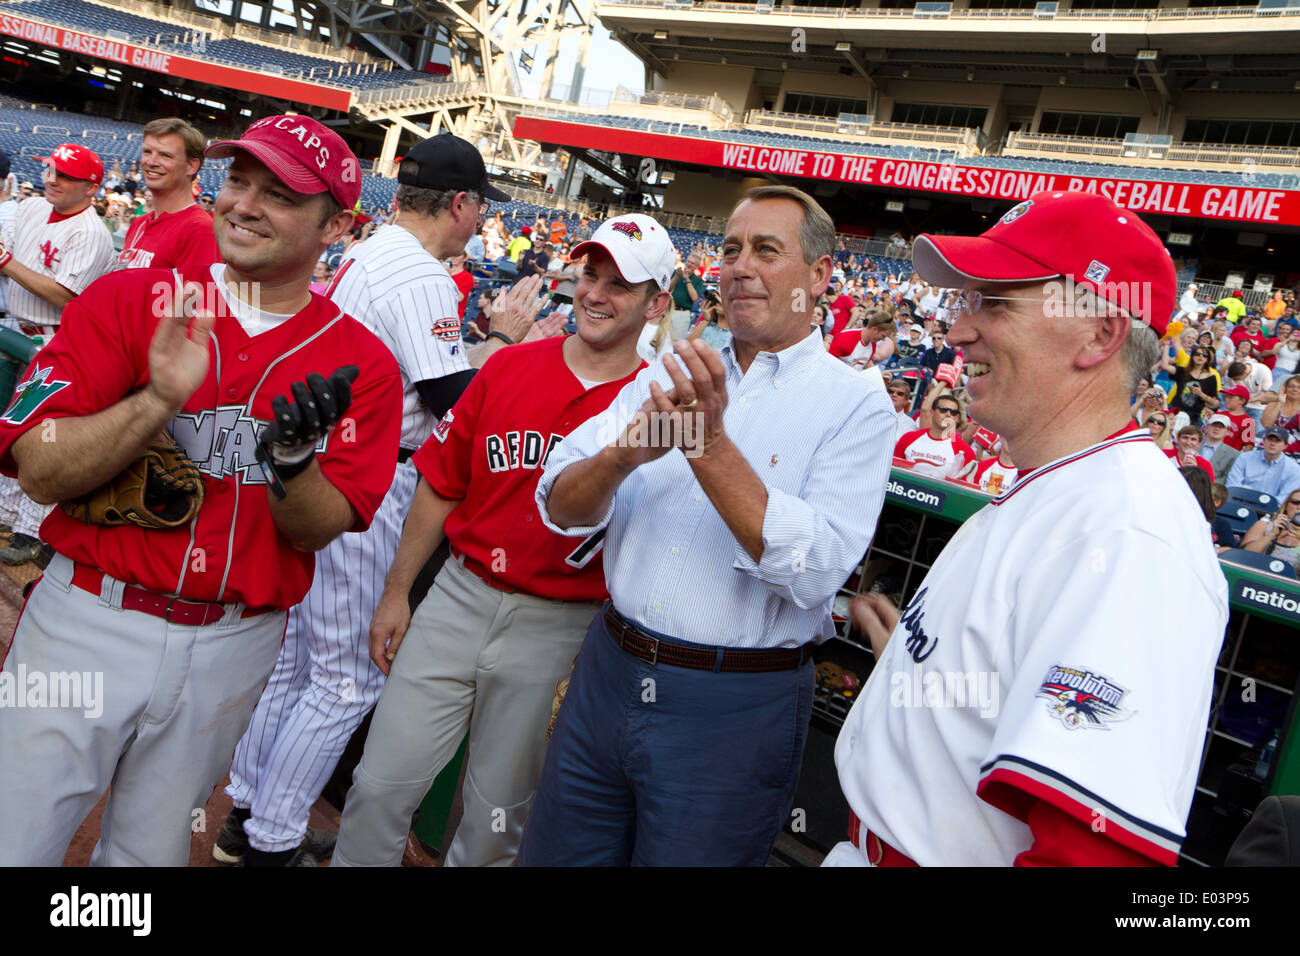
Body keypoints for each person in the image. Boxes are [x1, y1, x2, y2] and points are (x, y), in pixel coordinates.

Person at [0, 114, 405, 866]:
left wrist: (291, 464)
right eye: (238, 180)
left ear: (337, 224)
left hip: (232, 642)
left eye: (278, 193)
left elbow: (317, 530)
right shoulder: (129, 301)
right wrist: (153, 402)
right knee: (13, 838)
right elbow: (39, 468)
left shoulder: (363, 365)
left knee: (145, 857)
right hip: (90, 615)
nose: (244, 204)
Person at [831, 189, 1228, 867]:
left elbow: (1092, 856)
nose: (958, 330)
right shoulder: (1063, 482)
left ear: (1099, 333)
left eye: (997, 303)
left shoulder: (1130, 534)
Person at [520, 185, 895, 866]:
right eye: (730, 248)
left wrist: (707, 444)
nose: (740, 265)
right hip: (609, 668)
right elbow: (558, 504)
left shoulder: (856, 405)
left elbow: (815, 573)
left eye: (766, 250)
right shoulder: (666, 372)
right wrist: (623, 454)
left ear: (818, 277)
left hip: (733, 704)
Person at [217, 131, 530, 867]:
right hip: (372, 477)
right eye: (479, 206)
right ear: (458, 203)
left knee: (297, 661)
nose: (481, 221)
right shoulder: (420, 274)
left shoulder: (369, 249)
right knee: (348, 676)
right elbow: (453, 403)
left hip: (320, 463)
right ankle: (271, 839)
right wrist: (507, 345)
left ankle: (244, 815)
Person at [332, 214, 669, 868]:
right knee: (378, 785)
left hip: (561, 625)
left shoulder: (660, 400)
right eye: (589, 275)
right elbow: (440, 484)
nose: (596, 294)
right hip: (460, 593)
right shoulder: (510, 367)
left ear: (657, 303)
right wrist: (397, 593)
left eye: (620, 285)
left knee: (494, 823)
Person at [0, 142, 116, 566]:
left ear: (91, 188)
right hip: (14, 327)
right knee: (7, 427)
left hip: (55, 338)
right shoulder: (32, 208)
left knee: (37, 436)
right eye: (51, 170)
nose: (51, 179)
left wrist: (7, 263)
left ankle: (32, 530)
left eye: (65, 176)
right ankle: (6, 514)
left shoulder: (90, 231)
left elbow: (64, 295)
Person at [114, 118, 219, 272]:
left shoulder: (201, 231)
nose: (151, 162)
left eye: (165, 155)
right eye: (147, 152)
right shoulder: (139, 223)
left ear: (191, 166)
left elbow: (199, 295)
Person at [895, 393, 975, 479]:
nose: (948, 414)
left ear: (957, 418)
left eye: (953, 412)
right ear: (932, 412)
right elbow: (893, 469)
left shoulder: (965, 452)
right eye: (943, 410)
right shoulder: (909, 438)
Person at [1225, 425, 1300, 501]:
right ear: (1263, 441)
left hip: (1272, 509)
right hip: (1240, 501)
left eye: (1277, 441)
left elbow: (1284, 498)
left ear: (1285, 445)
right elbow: (1232, 485)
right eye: (1270, 439)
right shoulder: (1245, 458)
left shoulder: (1294, 469)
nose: (1272, 444)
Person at [1239, 488, 1300, 574]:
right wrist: (1271, 535)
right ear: (1286, 505)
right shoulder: (1263, 526)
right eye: (1295, 502)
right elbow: (1245, 556)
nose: (1299, 507)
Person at [828, 309, 895, 371]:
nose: (883, 340)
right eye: (883, 336)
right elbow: (828, 362)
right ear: (875, 329)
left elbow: (866, 361)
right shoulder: (845, 338)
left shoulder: (872, 343)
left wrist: (878, 375)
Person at [667, 242, 703, 339]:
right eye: (688, 261)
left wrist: (687, 280)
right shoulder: (676, 272)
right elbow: (668, 289)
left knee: (676, 342)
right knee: (661, 338)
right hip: (668, 310)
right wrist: (677, 277)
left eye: (692, 263)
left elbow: (695, 298)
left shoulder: (698, 280)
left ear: (696, 267)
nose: (689, 264)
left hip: (682, 314)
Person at [1201, 413, 1242, 479]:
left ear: (1227, 432)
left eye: (1221, 427)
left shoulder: (1234, 454)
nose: (1217, 429)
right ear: (1207, 427)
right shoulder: (1192, 444)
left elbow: (1227, 477)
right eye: (1214, 425)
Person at [1220, 385, 1258, 451]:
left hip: (1228, 456)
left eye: (1231, 397)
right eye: (1226, 397)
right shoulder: (1219, 414)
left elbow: (1249, 445)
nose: (1226, 399)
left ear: (1242, 401)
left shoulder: (1248, 421)